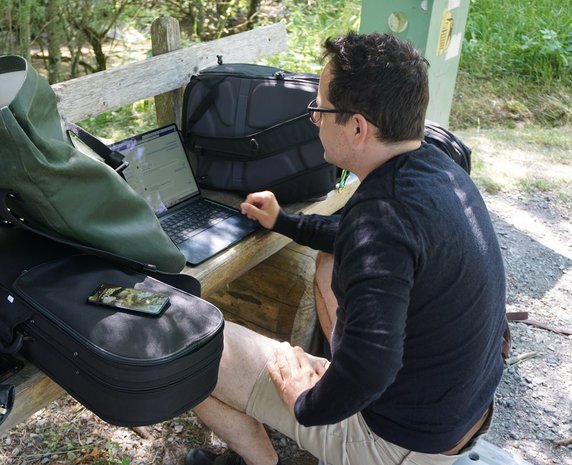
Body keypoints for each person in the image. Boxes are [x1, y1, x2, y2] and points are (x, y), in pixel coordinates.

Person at [184, 32, 507, 465]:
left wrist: (306, 401)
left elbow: (372, 366)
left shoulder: (380, 217)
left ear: (357, 127)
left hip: (399, 442)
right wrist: (284, 222)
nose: (314, 119)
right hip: (457, 410)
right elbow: (358, 242)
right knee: (327, 263)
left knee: (189, 345)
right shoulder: (437, 168)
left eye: (319, 109)